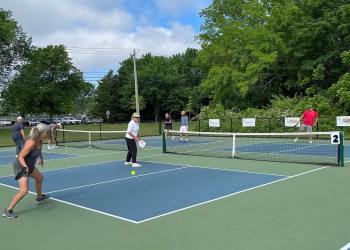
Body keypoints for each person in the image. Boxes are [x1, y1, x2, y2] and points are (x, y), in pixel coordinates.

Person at [3, 123, 51, 219]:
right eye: (47, 132)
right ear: (42, 133)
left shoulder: (39, 141)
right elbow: (20, 156)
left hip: (29, 165)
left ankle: (39, 197)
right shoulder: (31, 142)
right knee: (24, 190)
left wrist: (41, 159)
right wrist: (25, 167)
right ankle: (8, 210)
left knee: (39, 178)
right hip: (21, 166)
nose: (49, 133)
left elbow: (39, 151)